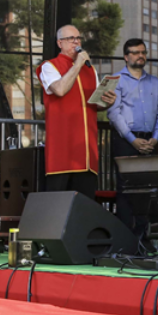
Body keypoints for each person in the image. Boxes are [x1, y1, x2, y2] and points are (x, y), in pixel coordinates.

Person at [36, 25, 116, 200]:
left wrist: (107, 102)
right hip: (62, 149)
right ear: (60, 43)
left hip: (86, 150)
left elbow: (94, 104)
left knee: (84, 205)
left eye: (78, 38)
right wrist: (78, 64)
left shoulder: (90, 70)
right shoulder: (48, 66)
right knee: (57, 203)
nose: (76, 42)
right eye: (70, 39)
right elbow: (60, 90)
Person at [107, 38, 158, 158]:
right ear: (126, 57)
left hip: (150, 142)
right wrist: (132, 139)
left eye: (143, 52)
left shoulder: (154, 82)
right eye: (135, 53)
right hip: (125, 141)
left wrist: (155, 138)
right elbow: (113, 113)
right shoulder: (115, 79)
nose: (141, 55)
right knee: (126, 177)